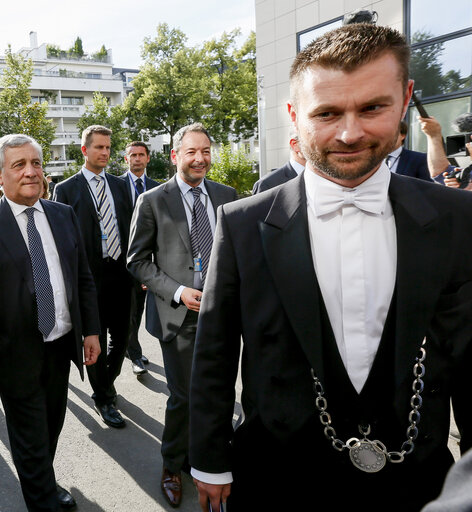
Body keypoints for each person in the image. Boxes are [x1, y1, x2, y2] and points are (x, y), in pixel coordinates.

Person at [189, 24, 472, 512]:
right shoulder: (241, 223)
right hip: (277, 478)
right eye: (327, 113)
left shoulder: (457, 218)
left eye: (372, 108)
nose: (349, 132)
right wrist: (210, 459)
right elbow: (214, 352)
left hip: (419, 483)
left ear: (404, 100)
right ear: (295, 117)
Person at [0, 134, 100, 511]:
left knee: (49, 431)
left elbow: (81, 276)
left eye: (35, 163)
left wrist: (92, 330)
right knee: (30, 441)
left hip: (61, 347)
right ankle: (43, 499)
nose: (31, 172)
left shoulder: (62, 214)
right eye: (19, 165)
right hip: (12, 357)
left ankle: (44, 484)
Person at [127, 124, 237, 508]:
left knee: (218, 394)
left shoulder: (227, 196)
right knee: (185, 396)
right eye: (191, 152)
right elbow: (137, 261)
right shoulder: (154, 200)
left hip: (222, 313)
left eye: (206, 151)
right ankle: (172, 465)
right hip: (178, 315)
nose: (200, 159)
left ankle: (208, 462)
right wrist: (178, 291)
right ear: (175, 156)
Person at [53, 125, 134, 429]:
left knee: (123, 336)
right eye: (99, 147)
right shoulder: (67, 189)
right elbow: (63, 240)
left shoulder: (120, 185)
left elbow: (130, 228)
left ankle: (106, 382)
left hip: (120, 271)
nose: (105, 153)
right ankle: (104, 396)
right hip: (89, 276)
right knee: (95, 337)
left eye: (108, 148)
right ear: (85, 151)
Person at [121, 141, 160, 375]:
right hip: (120, 263)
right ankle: (134, 353)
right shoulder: (115, 186)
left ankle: (130, 347)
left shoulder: (157, 189)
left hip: (147, 264)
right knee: (127, 312)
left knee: (138, 311)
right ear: (126, 159)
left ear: (147, 158)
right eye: (132, 155)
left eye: (141, 155)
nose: (136, 158)